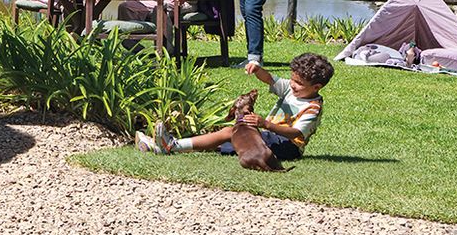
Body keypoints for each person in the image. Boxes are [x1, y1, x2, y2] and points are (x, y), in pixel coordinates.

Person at [136, 50, 333, 170]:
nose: (293, 85)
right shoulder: (291, 90)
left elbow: (297, 133)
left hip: (287, 147)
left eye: (299, 83)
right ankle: (168, 145)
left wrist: (266, 124)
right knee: (229, 138)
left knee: (232, 133)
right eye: (292, 79)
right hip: (269, 137)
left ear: (316, 87)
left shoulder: (312, 107)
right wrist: (257, 69)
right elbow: (270, 79)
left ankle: (172, 145)